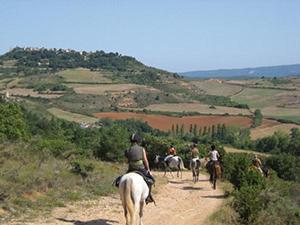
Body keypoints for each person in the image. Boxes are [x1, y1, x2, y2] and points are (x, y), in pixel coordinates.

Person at [124, 133, 155, 204]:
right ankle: (148, 197)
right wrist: (148, 169)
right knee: (150, 180)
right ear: (138, 141)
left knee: (121, 180)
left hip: (131, 169)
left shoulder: (127, 150)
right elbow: (145, 160)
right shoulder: (142, 149)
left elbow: (125, 161)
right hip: (140, 168)